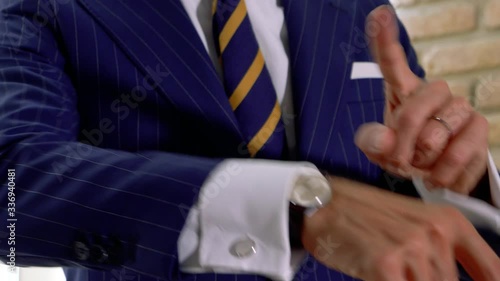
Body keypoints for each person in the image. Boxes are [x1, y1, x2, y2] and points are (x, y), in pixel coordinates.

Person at [0, 0, 499, 280]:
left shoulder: (360, 10)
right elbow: (15, 193)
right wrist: (293, 206)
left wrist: (455, 179)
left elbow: (409, 203)